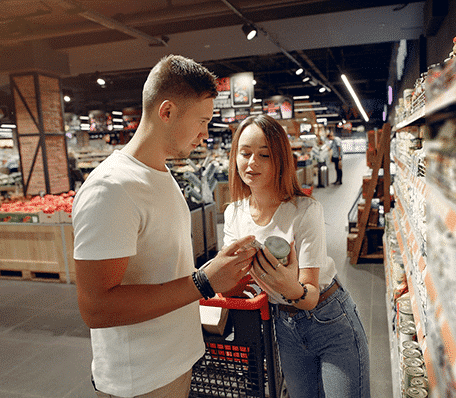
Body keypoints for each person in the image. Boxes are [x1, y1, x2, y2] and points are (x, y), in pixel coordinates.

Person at [72, 55, 257, 398]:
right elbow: (96, 307)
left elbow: (163, 271)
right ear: (167, 112)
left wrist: (216, 276)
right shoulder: (111, 189)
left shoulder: (162, 175)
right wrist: (204, 282)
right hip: (139, 380)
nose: (206, 133)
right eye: (202, 121)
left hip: (175, 362)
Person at [223, 114, 370, 398]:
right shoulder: (234, 214)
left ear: (279, 160)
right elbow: (234, 283)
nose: (252, 163)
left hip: (329, 318)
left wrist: (288, 285)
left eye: (264, 154)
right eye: (245, 153)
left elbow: (310, 294)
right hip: (284, 326)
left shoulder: (304, 210)